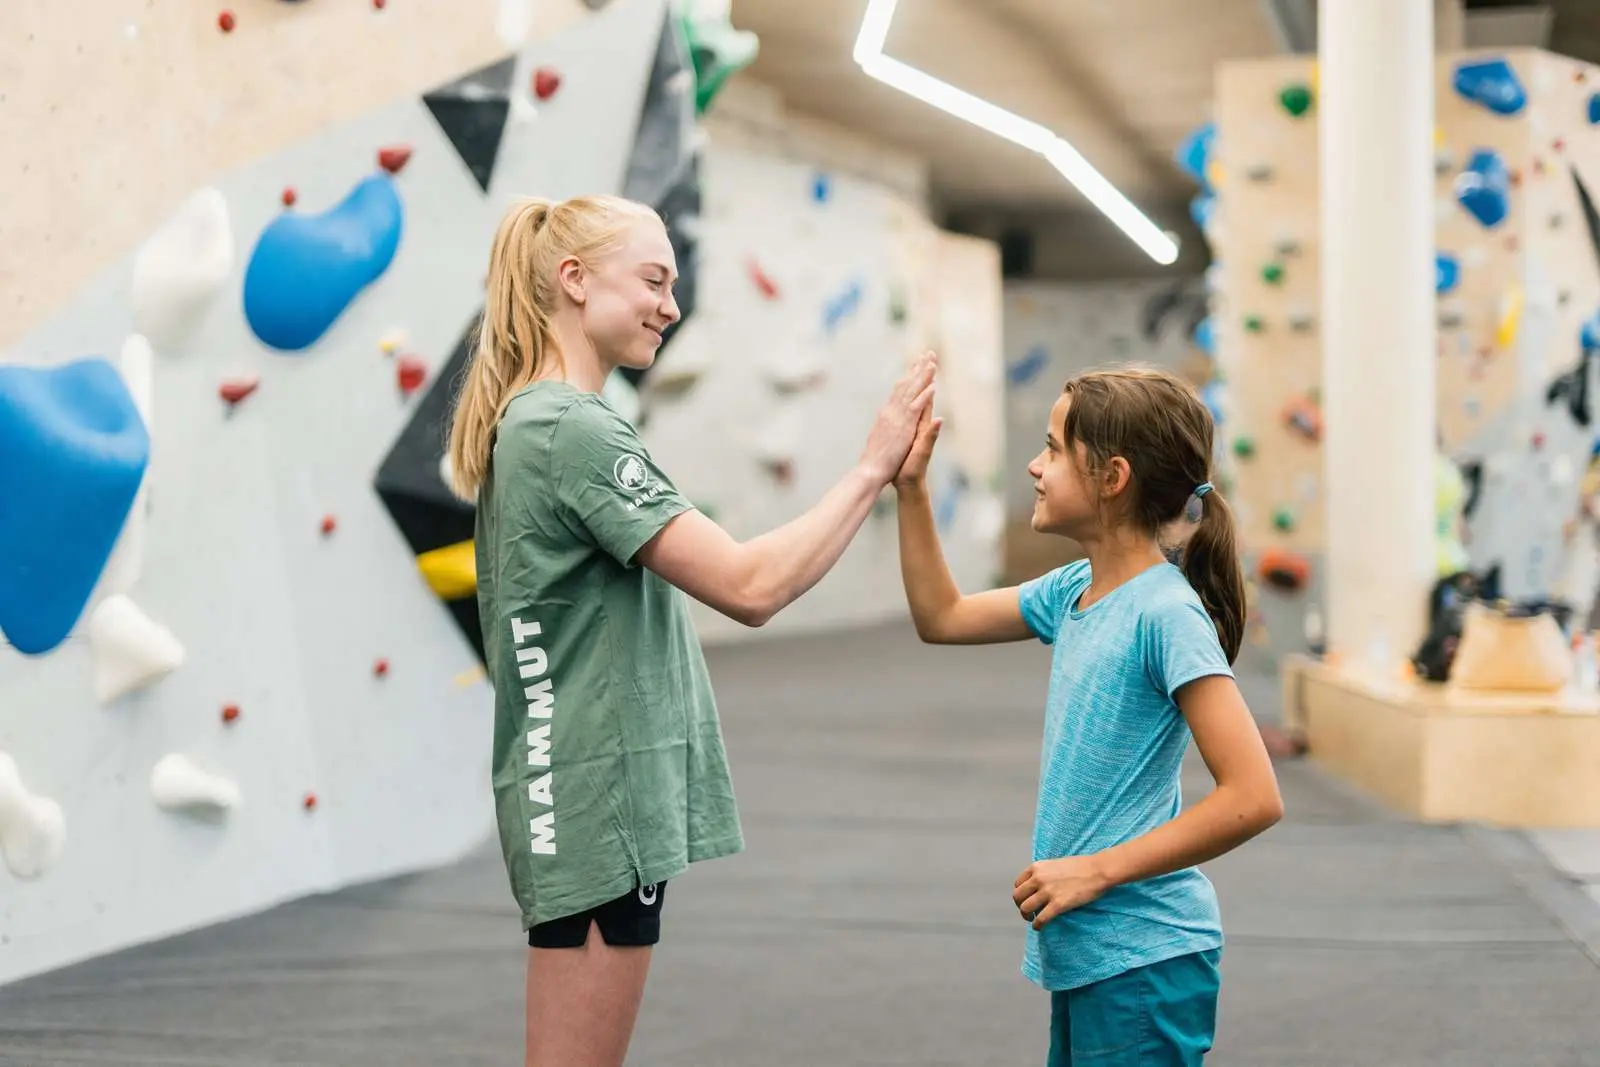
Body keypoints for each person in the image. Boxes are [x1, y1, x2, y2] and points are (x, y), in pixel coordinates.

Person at [444, 193, 936, 1067]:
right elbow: (751, 584)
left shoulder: (539, 422)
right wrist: (872, 468)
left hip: (579, 794)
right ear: (573, 280)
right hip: (596, 804)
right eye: (652, 280)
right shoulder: (570, 428)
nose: (671, 304)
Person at [892, 366, 1283, 1066]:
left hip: (1145, 957)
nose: (1035, 467)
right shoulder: (1075, 588)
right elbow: (941, 615)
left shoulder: (1165, 613)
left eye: (1052, 448)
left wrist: (1096, 870)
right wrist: (912, 487)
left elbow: (1253, 796)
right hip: (1093, 952)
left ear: (1112, 476)